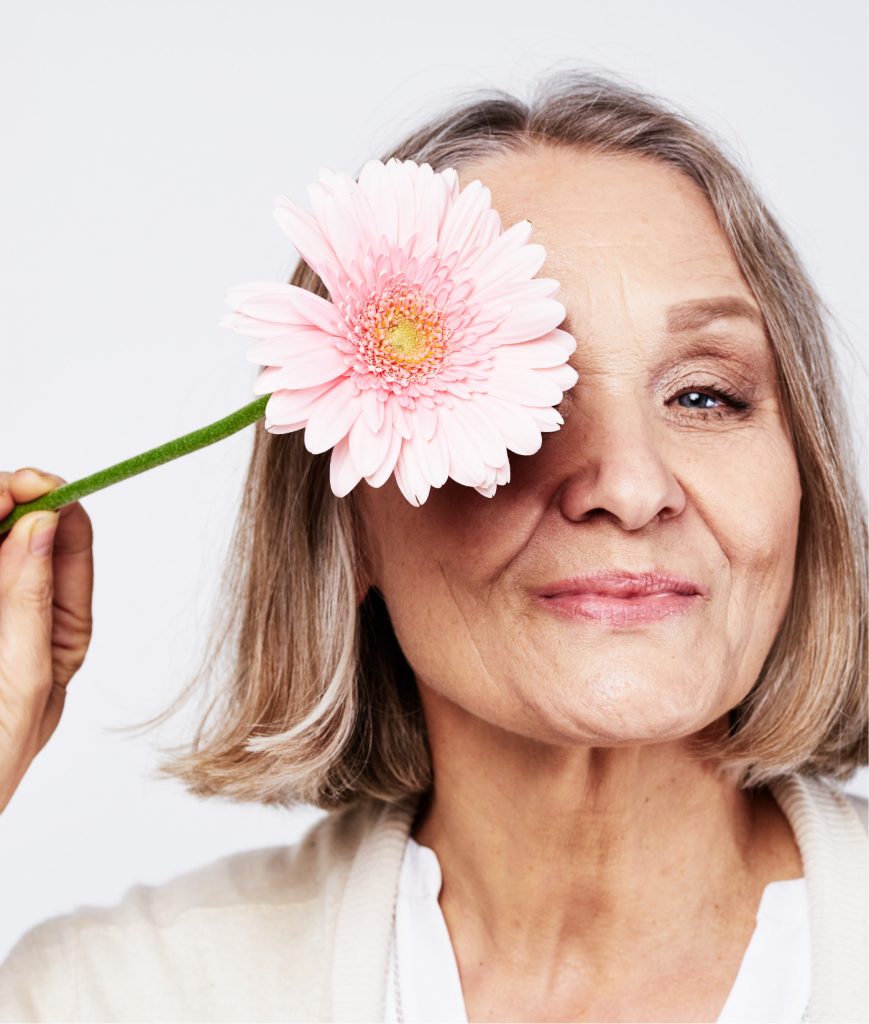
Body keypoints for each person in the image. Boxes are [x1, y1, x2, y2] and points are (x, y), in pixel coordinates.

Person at [0, 70, 866, 1024]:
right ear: (348, 525)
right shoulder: (105, 998)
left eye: (705, 395)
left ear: (804, 483)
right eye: (526, 406)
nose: (628, 486)